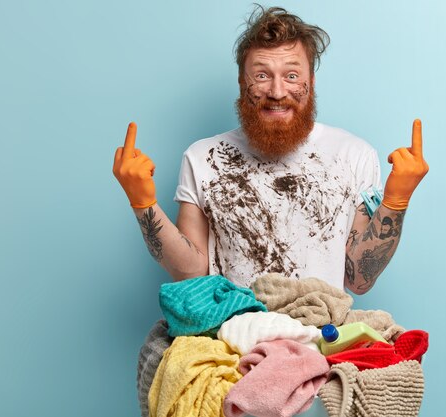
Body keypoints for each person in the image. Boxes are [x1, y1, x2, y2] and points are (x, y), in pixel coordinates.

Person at [113, 6, 428, 295]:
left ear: (311, 82)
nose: (277, 92)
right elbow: (192, 276)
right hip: (232, 342)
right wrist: (144, 205)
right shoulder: (202, 158)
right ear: (241, 82)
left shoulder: (354, 154)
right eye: (262, 75)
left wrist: (395, 203)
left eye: (292, 76)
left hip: (319, 340)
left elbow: (358, 279)